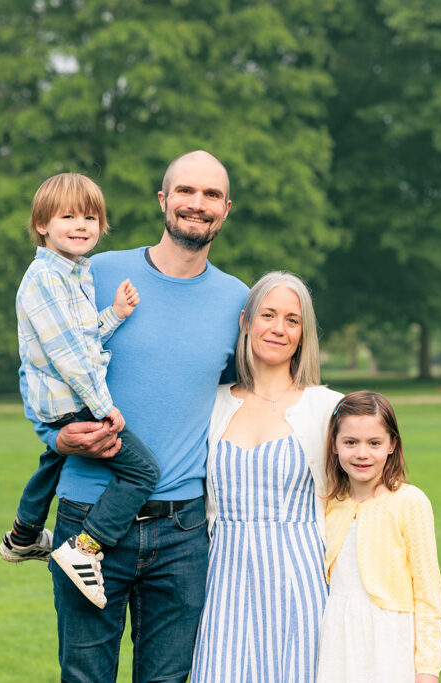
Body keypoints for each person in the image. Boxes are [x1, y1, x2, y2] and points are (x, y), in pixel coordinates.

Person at [25, 151, 248, 682]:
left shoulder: (237, 299)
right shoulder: (92, 273)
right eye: (186, 191)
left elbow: (242, 395)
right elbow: (34, 362)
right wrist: (56, 440)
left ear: (226, 208)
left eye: (211, 195)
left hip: (182, 529)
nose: (197, 204)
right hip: (87, 516)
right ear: (163, 200)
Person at [0, 172, 160, 611]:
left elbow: (82, 336)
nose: (81, 225)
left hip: (61, 404)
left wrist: (115, 314)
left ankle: (24, 534)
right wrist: (106, 409)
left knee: (54, 458)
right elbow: (70, 357)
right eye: (68, 216)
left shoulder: (73, 274)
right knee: (144, 471)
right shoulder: (45, 279)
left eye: (90, 217)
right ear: (42, 224)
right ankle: (85, 547)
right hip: (74, 405)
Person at [191, 271, 343, 683]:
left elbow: (362, 505)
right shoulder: (213, 404)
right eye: (268, 315)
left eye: (292, 320)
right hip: (225, 580)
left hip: (302, 581)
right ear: (246, 321)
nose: (278, 328)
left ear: (303, 333)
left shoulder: (328, 408)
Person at [316, 390, 441, 683]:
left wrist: (427, 669)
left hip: (390, 639)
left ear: (391, 445)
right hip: (337, 639)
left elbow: (428, 594)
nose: (362, 453)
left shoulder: (409, 502)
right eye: (350, 442)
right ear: (334, 445)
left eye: (374, 443)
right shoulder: (327, 503)